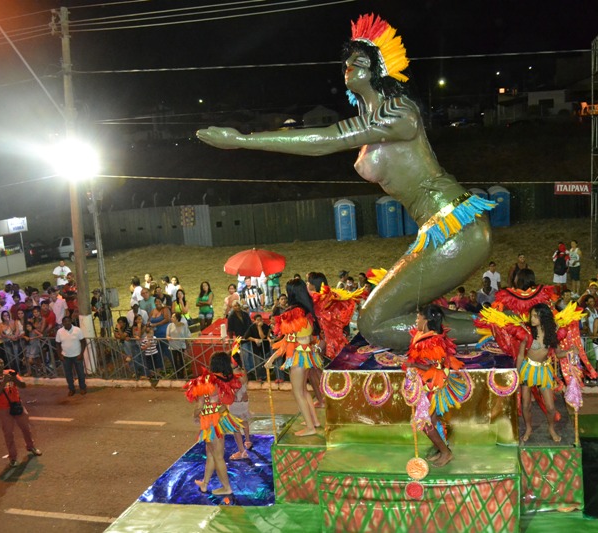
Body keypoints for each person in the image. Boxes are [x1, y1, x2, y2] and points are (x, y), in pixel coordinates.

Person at [197, 14, 494, 350]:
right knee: (391, 315)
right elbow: (333, 137)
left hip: (457, 225)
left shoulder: (399, 112)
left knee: (373, 322)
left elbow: (327, 139)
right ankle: (493, 330)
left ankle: (500, 334)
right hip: (436, 229)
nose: (349, 67)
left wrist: (242, 140)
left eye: (360, 62)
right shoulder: (371, 121)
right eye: (347, 62)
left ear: (379, 71)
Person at [403, 304, 467, 467]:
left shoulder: (433, 341)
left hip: (432, 384)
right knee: (431, 420)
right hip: (425, 382)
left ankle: (446, 453)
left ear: (426, 320)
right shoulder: (423, 335)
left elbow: (437, 366)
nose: (416, 320)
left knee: (426, 422)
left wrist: (411, 365)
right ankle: (441, 449)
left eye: (418, 317)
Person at [265, 279, 322, 436]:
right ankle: (314, 421)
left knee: (298, 393)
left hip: (298, 357)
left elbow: (287, 343)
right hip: (307, 355)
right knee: (303, 390)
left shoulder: (293, 314)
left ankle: (310, 427)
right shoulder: (307, 311)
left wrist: (271, 359)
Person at [186, 351, 243, 496]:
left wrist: (194, 416)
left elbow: (200, 405)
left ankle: (226, 488)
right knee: (210, 453)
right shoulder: (227, 379)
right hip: (221, 418)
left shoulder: (207, 381)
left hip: (211, 421)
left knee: (217, 455)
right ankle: (205, 484)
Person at [518, 303, 569, 443]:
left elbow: (558, 354)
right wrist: (518, 374)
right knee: (526, 404)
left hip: (544, 371)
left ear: (543, 318)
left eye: (535, 316)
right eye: (532, 315)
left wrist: (571, 351)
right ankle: (528, 428)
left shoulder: (552, 334)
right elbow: (521, 356)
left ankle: (551, 428)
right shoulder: (527, 333)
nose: (532, 318)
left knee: (551, 407)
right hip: (527, 369)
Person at [0, 357, 42, 468]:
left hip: (17, 405)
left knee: (26, 428)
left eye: (2, 363)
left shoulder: (10, 372)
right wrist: (3, 383)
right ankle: (13, 457)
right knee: (9, 434)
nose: (1, 366)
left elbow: (23, 385)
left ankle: (31, 446)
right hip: (3, 409)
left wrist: (14, 379)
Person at [229, 351, 253, 460]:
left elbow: (235, 390)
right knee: (244, 421)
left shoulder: (234, 376)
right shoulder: (243, 371)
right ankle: (247, 441)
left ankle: (241, 451)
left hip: (236, 402)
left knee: (235, 426)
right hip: (244, 401)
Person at [55, 316, 87, 396]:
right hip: (66, 356)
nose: (67, 323)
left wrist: (81, 353)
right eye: (65, 322)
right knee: (68, 374)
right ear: (63, 323)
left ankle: (82, 388)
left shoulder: (77, 330)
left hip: (77, 355)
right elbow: (58, 344)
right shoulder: (59, 332)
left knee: (80, 373)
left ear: (71, 321)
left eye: (68, 321)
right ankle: (71, 389)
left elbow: (83, 342)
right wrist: (60, 355)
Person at [245, 314, 273, 383]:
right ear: (254, 321)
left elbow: (263, 337)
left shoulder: (266, 326)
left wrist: (259, 328)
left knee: (265, 362)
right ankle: (259, 377)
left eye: (261, 320)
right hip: (256, 348)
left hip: (265, 348)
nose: (260, 321)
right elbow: (246, 336)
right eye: (257, 320)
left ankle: (266, 376)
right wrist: (254, 339)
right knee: (257, 363)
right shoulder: (251, 327)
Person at [166, 312, 190, 380]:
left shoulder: (183, 326)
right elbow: (167, 335)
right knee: (174, 361)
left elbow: (186, 336)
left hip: (181, 346)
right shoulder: (170, 325)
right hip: (172, 346)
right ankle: (176, 374)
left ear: (177, 318)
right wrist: (168, 337)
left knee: (181, 361)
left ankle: (182, 375)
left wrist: (186, 348)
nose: (172, 318)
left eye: (173, 317)